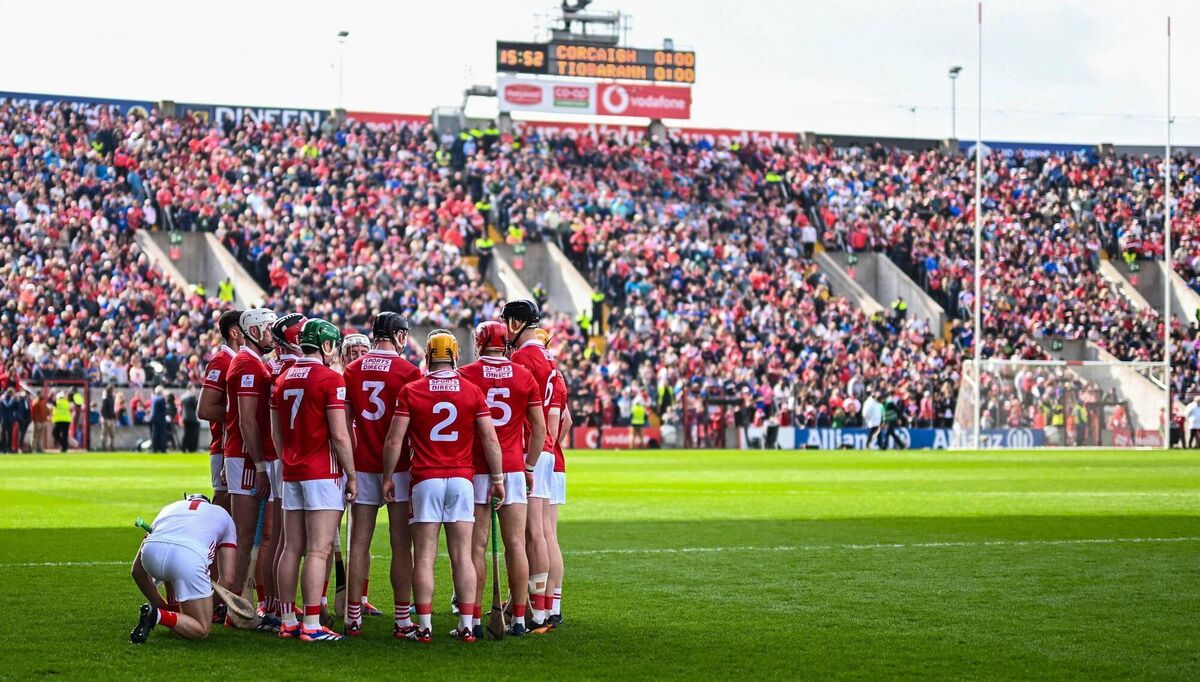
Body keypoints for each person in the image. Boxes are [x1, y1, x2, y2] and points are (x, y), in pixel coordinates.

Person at [381, 330, 505, 644]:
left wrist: (386, 477)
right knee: (462, 556)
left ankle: (423, 626)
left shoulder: (412, 390)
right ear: (455, 355)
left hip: (425, 480)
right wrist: (499, 478)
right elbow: (490, 440)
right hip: (462, 479)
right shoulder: (473, 391)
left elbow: (394, 440)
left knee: (423, 557)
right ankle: (466, 625)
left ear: (427, 356)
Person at [458, 320, 548, 637]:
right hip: (511, 467)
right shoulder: (523, 376)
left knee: (476, 547)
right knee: (515, 544)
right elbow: (540, 428)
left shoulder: (466, 374)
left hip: (476, 468)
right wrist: (530, 466)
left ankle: (474, 620)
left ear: (480, 342)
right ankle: (520, 619)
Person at [270, 318, 357, 642]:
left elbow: (278, 435)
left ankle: (288, 618)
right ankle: (311, 623)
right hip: (322, 473)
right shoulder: (329, 378)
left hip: (292, 469)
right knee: (319, 551)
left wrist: (289, 459)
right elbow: (339, 433)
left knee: (291, 547)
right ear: (326, 344)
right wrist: (351, 474)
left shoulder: (282, 379)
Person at [341, 313, 422, 638]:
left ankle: (353, 616)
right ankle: (402, 620)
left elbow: (344, 425)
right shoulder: (408, 371)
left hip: (360, 462)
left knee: (358, 542)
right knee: (402, 545)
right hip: (398, 466)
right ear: (396, 334)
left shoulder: (352, 369)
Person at [502, 299, 557, 632]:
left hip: (529, 449)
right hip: (546, 448)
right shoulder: (548, 355)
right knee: (538, 533)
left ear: (516, 323)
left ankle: (536, 612)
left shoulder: (522, 356)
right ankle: (537, 606)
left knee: (531, 533)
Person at [222, 308, 277, 611]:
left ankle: (248, 601)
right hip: (244, 458)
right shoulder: (246, 364)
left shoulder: (254, 363)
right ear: (254, 331)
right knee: (244, 538)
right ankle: (234, 605)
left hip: (247, 457)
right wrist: (259, 466)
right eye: (268, 329)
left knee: (259, 536)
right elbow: (246, 421)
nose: (273, 335)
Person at [129, 494, 238, 643]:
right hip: (188, 559)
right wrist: (206, 607)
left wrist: (162, 605)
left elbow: (137, 572)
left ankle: (169, 611)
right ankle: (157, 615)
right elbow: (228, 578)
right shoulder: (223, 515)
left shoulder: (169, 508)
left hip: (151, 555)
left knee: (172, 571)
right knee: (202, 629)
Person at [198, 310, 244, 510]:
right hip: (224, 447)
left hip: (236, 446)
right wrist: (240, 414)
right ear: (234, 333)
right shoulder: (222, 361)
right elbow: (205, 409)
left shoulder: (238, 360)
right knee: (225, 509)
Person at [150, 387, 168, 453]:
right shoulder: (161, 399)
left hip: (154, 418)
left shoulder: (153, 398)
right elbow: (164, 409)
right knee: (162, 434)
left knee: (155, 434)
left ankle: (154, 448)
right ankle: (162, 448)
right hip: (160, 418)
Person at [100, 385, 118, 451]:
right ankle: (103, 447)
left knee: (112, 434)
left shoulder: (111, 398)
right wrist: (104, 418)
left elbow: (112, 409)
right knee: (104, 433)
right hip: (106, 418)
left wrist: (114, 417)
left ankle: (111, 447)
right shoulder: (105, 398)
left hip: (111, 418)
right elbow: (103, 409)